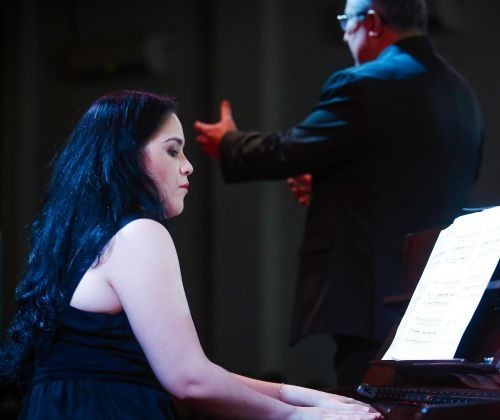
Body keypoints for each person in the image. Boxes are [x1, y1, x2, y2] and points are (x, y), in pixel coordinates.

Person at [0, 90, 381, 419]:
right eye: (172, 151)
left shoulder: (80, 241)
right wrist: (297, 415)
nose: (188, 165)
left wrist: (301, 395)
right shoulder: (140, 234)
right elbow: (189, 380)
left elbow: (192, 371)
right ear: (127, 157)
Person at [194, 0, 484, 386]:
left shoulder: (367, 81)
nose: (344, 33)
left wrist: (229, 142)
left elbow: (289, 150)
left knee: (362, 404)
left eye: (345, 21)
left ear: (372, 22)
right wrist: (337, 189)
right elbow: (415, 181)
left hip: (373, 297)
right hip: (441, 300)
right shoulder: (461, 93)